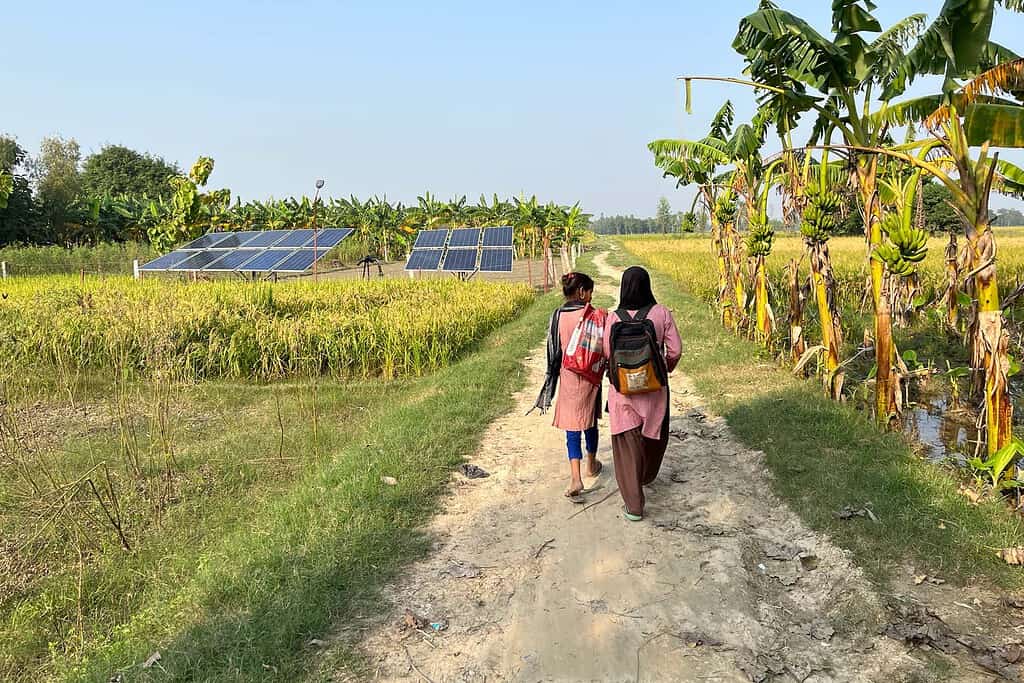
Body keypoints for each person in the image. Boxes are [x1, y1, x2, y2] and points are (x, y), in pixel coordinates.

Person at [603, 266, 681, 521]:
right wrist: (662, 370)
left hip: (623, 392)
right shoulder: (661, 313)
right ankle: (646, 475)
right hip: (655, 390)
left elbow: (607, 353)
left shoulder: (613, 318)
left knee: (627, 444)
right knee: (654, 436)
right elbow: (675, 350)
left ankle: (634, 506)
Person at [531, 272, 604, 497]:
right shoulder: (595, 315)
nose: (591, 297)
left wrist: (551, 378)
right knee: (590, 421)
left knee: (572, 426)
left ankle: (575, 478)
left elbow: (554, 351)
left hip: (569, 376)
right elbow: (603, 347)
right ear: (582, 291)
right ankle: (591, 464)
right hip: (591, 377)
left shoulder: (557, 316)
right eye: (590, 292)